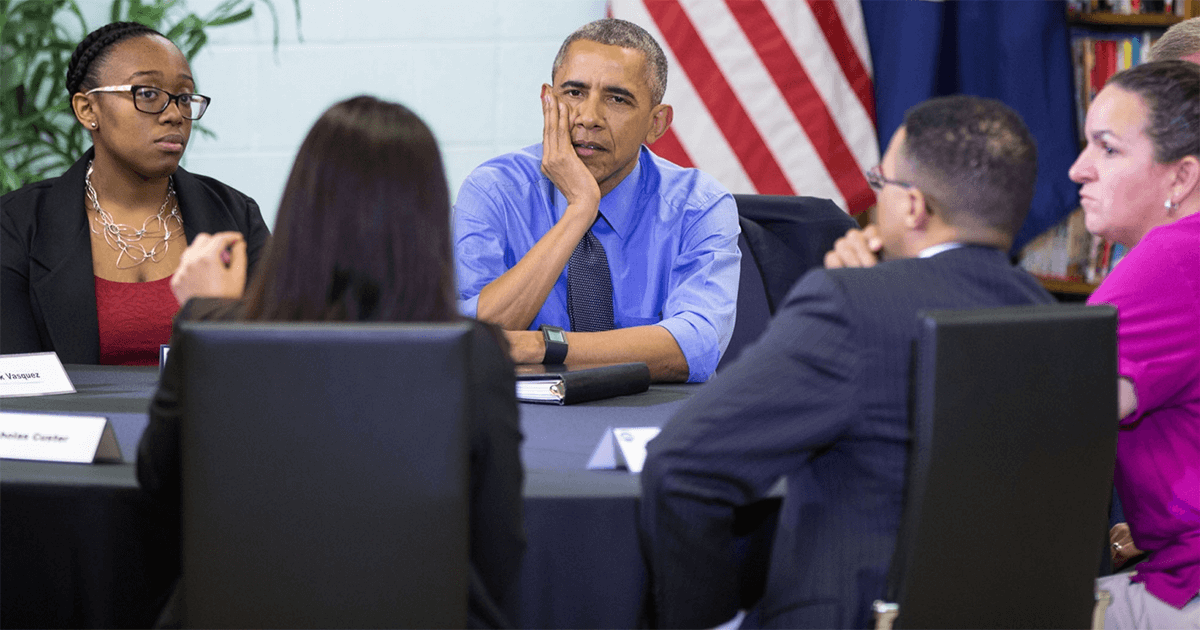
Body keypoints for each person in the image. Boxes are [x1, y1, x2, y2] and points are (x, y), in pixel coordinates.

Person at [640, 95, 1054, 629]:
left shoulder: (846, 306)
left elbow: (681, 468)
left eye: (880, 183)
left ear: (912, 207)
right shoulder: (1048, 313)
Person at [135, 96, 525, 628]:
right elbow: (498, 546)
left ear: (300, 207)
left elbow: (159, 495)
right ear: (429, 218)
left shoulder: (218, 334)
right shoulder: (475, 353)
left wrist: (208, 313)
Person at [452, 18, 740, 383]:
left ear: (656, 123)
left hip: (656, 419)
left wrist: (543, 347)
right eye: (573, 93)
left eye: (617, 99)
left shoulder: (701, 206)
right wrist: (579, 212)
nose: (588, 118)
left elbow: (695, 345)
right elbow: (474, 341)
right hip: (527, 421)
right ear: (547, 101)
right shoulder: (493, 191)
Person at [1, 21, 269, 365]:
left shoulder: (235, 215)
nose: (174, 114)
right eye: (147, 94)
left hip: (208, 418)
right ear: (87, 110)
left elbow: (272, 358)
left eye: (184, 97)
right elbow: (17, 384)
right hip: (78, 420)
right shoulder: (18, 225)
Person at [1070, 60, 1200, 628]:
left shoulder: (1174, 256)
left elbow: (1057, 415)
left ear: (1181, 177)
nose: (1078, 170)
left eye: (1108, 149)